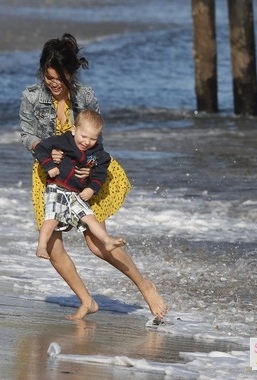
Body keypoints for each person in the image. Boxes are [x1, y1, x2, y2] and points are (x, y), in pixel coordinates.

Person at [20, 33, 167, 321]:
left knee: (96, 243)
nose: (54, 83)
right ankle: (87, 301)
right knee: (50, 245)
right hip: (49, 175)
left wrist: (88, 167)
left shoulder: (85, 96)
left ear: (71, 73)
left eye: (60, 77)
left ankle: (145, 286)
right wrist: (45, 151)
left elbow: (96, 142)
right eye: (49, 76)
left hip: (85, 173)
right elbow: (27, 136)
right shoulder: (31, 96)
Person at [34, 109, 126, 260]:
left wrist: (91, 188)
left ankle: (107, 240)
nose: (86, 142)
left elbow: (100, 173)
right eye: (83, 136)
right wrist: (49, 165)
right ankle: (42, 245)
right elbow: (40, 148)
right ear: (74, 130)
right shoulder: (63, 141)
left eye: (92, 139)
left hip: (76, 193)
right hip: (57, 188)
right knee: (52, 218)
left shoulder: (97, 154)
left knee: (89, 217)